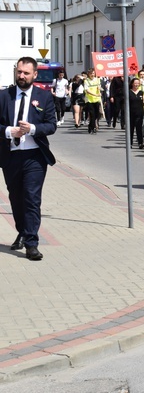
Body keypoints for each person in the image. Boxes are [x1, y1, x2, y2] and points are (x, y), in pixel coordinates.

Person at [0, 57, 57, 261]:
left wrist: (32, 129)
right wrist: (8, 131)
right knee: (16, 199)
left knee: (31, 199)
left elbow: (51, 125)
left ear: (35, 75)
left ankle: (32, 243)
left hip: (35, 157)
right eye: (19, 72)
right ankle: (23, 231)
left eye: (26, 73)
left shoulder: (44, 96)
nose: (21, 76)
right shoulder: (4, 96)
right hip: (10, 156)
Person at [128, 77, 144, 149]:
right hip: (131, 113)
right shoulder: (129, 92)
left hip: (139, 112)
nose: (136, 85)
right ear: (132, 84)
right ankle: (130, 143)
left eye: (138, 83)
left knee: (139, 128)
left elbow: (143, 103)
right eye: (135, 83)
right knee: (131, 129)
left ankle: (140, 143)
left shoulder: (141, 92)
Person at [83, 68, 101, 134]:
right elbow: (87, 90)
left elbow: (99, 87)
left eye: (93, 73)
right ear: (88, 74)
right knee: (92, 114)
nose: (92, 75)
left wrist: (100, 89)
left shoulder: (97, 80)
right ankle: (92, 128)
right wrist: (95, 94)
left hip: (96, 100)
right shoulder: (86, 81)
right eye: (91, 73)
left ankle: (90, 125)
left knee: (97, 114)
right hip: (89, 100)